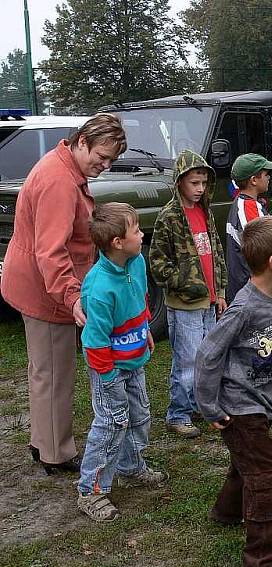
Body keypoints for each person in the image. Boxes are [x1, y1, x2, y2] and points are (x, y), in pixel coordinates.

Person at [0, 114, 126, 474]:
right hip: (45, 291)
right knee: (55, 373)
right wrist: (71, 298)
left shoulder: (66, 166)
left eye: (111, 161)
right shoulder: (59, 181)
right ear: (81, 141)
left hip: (42, 285)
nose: (104, 166)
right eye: (101, 157)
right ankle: (55, 453)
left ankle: (45, 442)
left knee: (46, 371)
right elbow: (51, 252)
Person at [195, 215, 272, 567]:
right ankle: (264, 563)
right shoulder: (243, 309)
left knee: (247, 465)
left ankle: (226, 513)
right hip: (240, 410)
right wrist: (209, 406)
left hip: (263, 402)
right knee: (267, 478)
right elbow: (208, 355)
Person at [76, 203, 167, 522]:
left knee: (139, 415)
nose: (142, 234)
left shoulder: (137, 261)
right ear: (117, 242)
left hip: (134, 358)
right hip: (109, 367)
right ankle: (92, 490)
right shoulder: (100, 287)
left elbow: (140, 298)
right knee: (112, 423)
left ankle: (130, 467)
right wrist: (108, 374)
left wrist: (145, 330)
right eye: (137, 230)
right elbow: (94, 339)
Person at [149, 149, 227, 439]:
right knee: (187, 360)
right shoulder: (168, 217)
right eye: (194, 183)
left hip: (209, 301)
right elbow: (157, 263)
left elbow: (216, 253)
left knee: (207, 357)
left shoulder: (205, 212)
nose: (200, 189)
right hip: (184, 305)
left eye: (204, 183)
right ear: (180, 181)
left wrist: (219, 291)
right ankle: (177, 413)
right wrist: (183, 282)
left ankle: (197, 405)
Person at [225, 152, 272, 303]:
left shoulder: (243, 203)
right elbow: (261, 248)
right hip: (255, 290)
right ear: (254, 180)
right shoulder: (248, 207)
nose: (269, 177)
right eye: (266, 174)